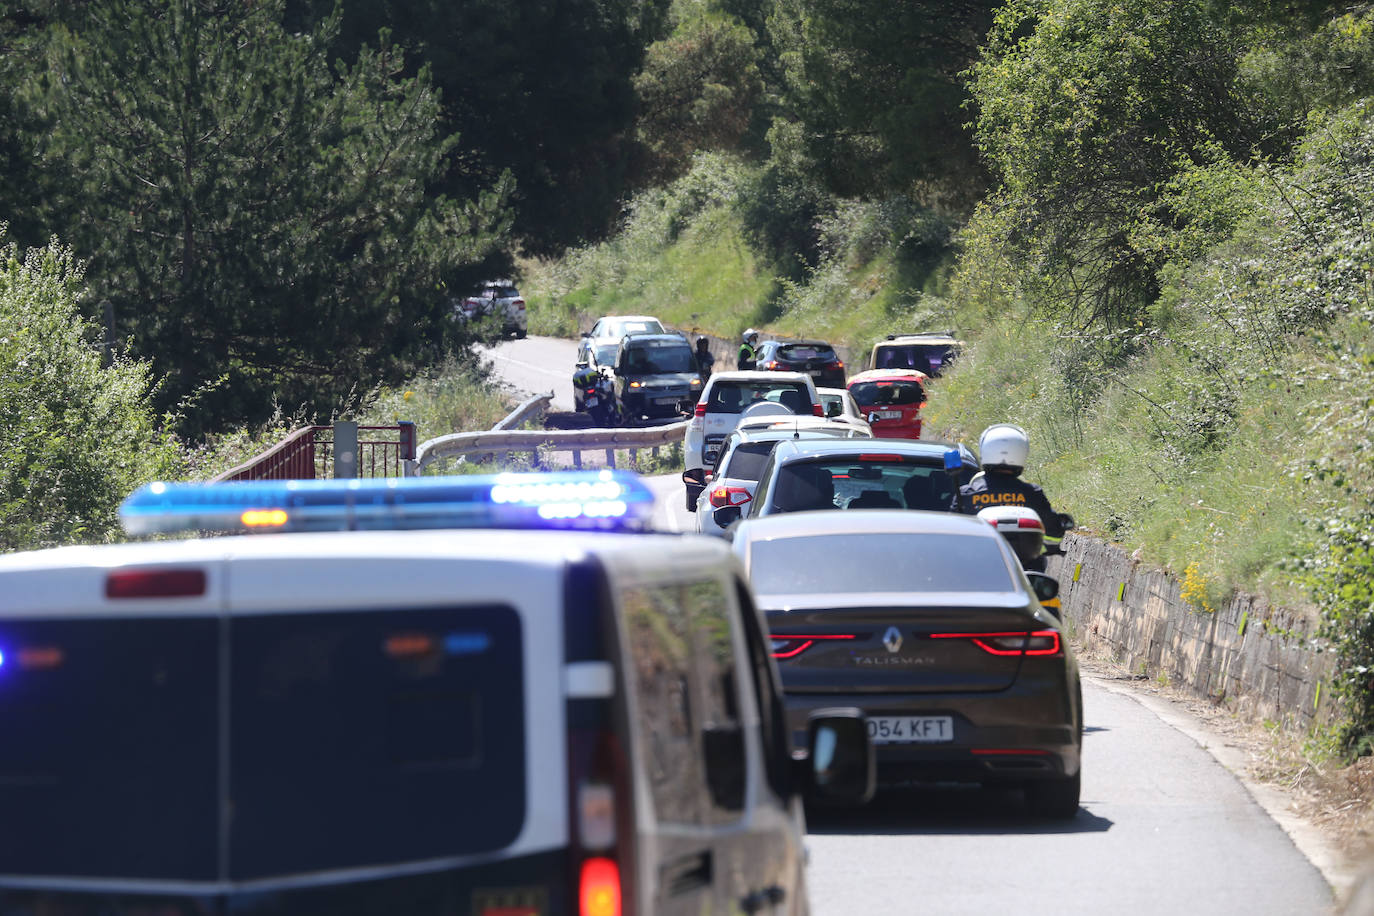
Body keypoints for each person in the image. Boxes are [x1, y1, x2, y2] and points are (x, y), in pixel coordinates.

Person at [959, 423, 1065, 540]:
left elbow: (952, 531)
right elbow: (1054, 530)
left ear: (985, 451)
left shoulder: (965, 494)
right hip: (1024, 552)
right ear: (1022, 453)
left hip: (978, 551)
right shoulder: (1032, 494)